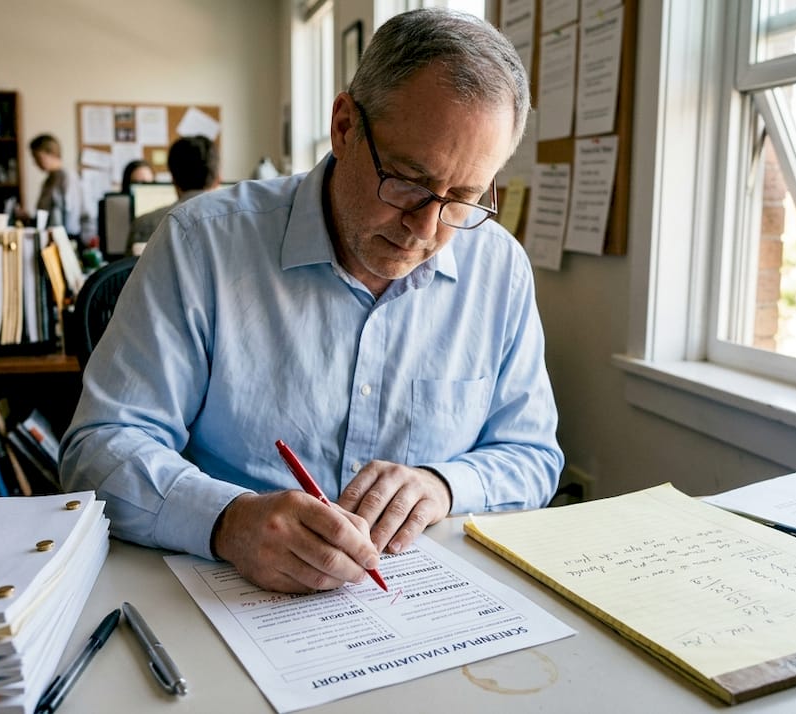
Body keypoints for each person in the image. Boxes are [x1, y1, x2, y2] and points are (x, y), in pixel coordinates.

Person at [61, 8, 561, 594]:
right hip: (225, 603)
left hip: (422, 611)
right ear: (345, 126)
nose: (426, 228)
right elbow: (99, 450)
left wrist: (443, 485)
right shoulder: (203, 243)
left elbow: (532, 455)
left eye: (464, 198)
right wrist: (226, 520)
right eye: (406, 180)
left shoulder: (498, 268)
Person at [125, 135, 219, 251]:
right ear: (217, 180)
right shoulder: (237, 221)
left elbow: (132, 268)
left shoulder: (143, 224)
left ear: (173, 179)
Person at [29, 133, 94, 244]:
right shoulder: (48, 181)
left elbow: (71, 217)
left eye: (38, 157)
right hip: (52, 239)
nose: (35, 162)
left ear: (51, 153)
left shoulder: (67, 178)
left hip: (67, 240)